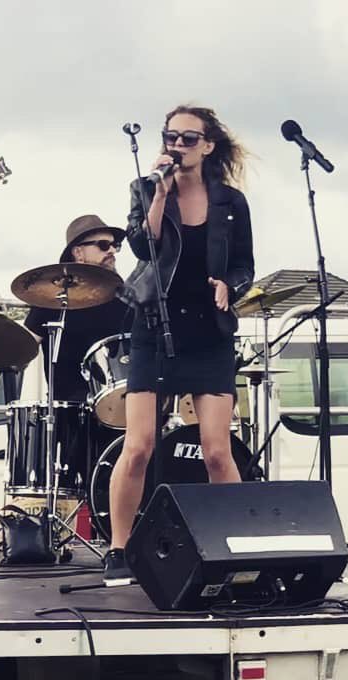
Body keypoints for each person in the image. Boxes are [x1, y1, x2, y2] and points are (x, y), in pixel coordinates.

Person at [103, 105, 254, 585]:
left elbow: (245, 265)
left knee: (216, 449)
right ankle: (119, 548)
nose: (178, 146)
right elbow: (141, 245)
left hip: (208, 331)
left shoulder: (231, 202)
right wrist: (159, 192)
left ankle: (235, 543)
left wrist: (232, 287)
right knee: (139, 445)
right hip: (154, 322)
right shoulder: (146, 189)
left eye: (189, 138)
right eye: (172, 137)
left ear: (208, 145)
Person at [23, 215, 130, 403]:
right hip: (67, 410)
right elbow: (22, 347)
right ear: (78, 253)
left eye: (115, 245)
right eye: (103, 245)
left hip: (121, 404)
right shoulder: (52, 297)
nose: (112, 250)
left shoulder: (124, 298)